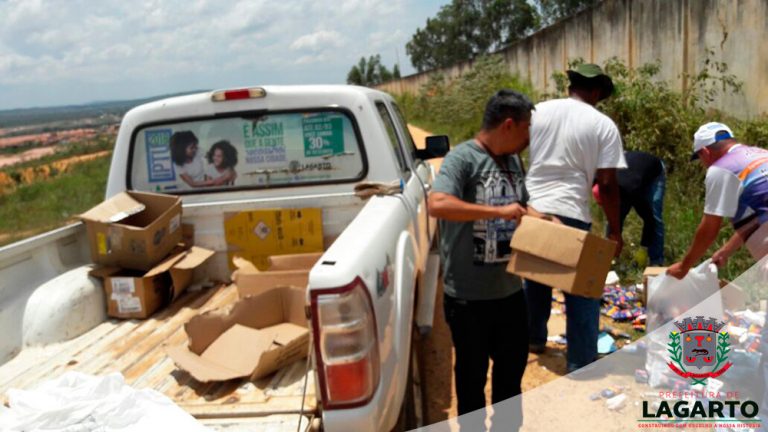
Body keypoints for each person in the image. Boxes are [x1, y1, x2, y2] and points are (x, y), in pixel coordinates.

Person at [428, 89, 537, 431]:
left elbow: (520, 205)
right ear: (508, 125)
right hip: (468, 298)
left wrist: (542, 218)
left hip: (510, 293)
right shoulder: (462, 159)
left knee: (510, 377)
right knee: (471, 380)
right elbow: (438, 203)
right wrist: (495, 211)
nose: (528, 139)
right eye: (526, 130)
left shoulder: (513, 162)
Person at [523, 63, 627, 373]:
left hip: (535, 208)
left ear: (571, 85)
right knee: (582, 289)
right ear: (596, 91)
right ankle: (580, 360)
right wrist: (615, 231)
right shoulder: (602, 124)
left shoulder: (537, 111)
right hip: (571, 212)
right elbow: (607, 185)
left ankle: (533, 339)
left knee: (536, 279)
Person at [668, 122, 768, 279]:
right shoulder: (762, 154)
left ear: (705, 152)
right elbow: (757, 218)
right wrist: (726, 250)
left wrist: (683, 267)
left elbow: (710, 228)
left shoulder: (721, 169)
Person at [593, 151, 666, 266]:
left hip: (654, 170)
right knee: (614, 218)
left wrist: (643, 247)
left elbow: (649, 218)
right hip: (631, 167)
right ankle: (609, 259)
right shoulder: (599, 177)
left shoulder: (631, 189)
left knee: (655, 215)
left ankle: (656, 261)